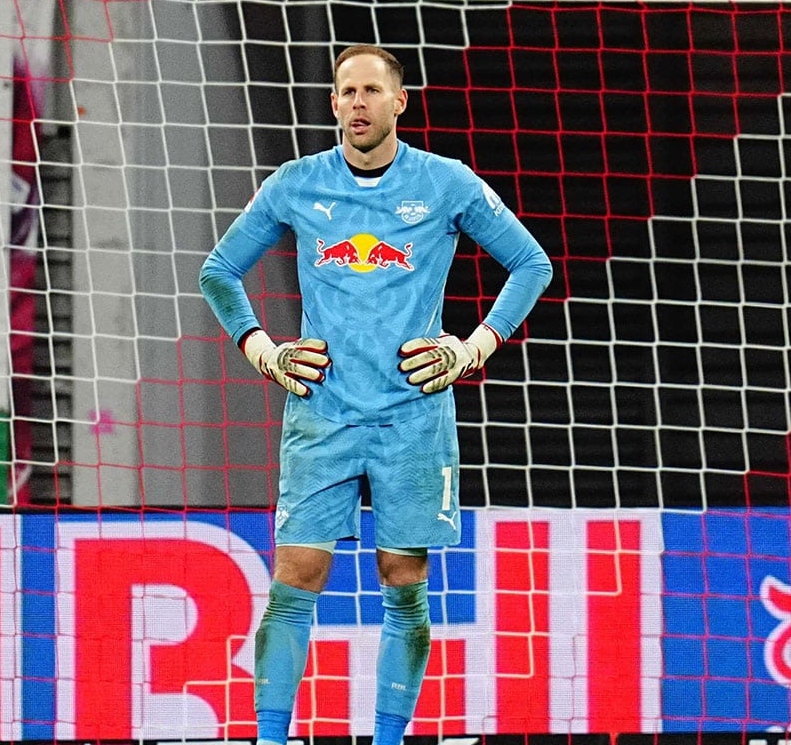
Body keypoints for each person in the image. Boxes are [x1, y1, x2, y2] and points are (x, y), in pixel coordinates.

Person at [199, 44, 552, 745]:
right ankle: (269, 739)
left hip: (413, 417)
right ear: (332, 104)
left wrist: (471, 348)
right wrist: (265, 351)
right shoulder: (297, 183)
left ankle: (388, 740)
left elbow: (530, 263)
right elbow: (219, 271)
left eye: (369, 90)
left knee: (402, 580)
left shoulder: (445, 183)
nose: (355, 103)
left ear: (398, 103)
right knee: (296, 577)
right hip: (322, 411)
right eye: (344, 91)